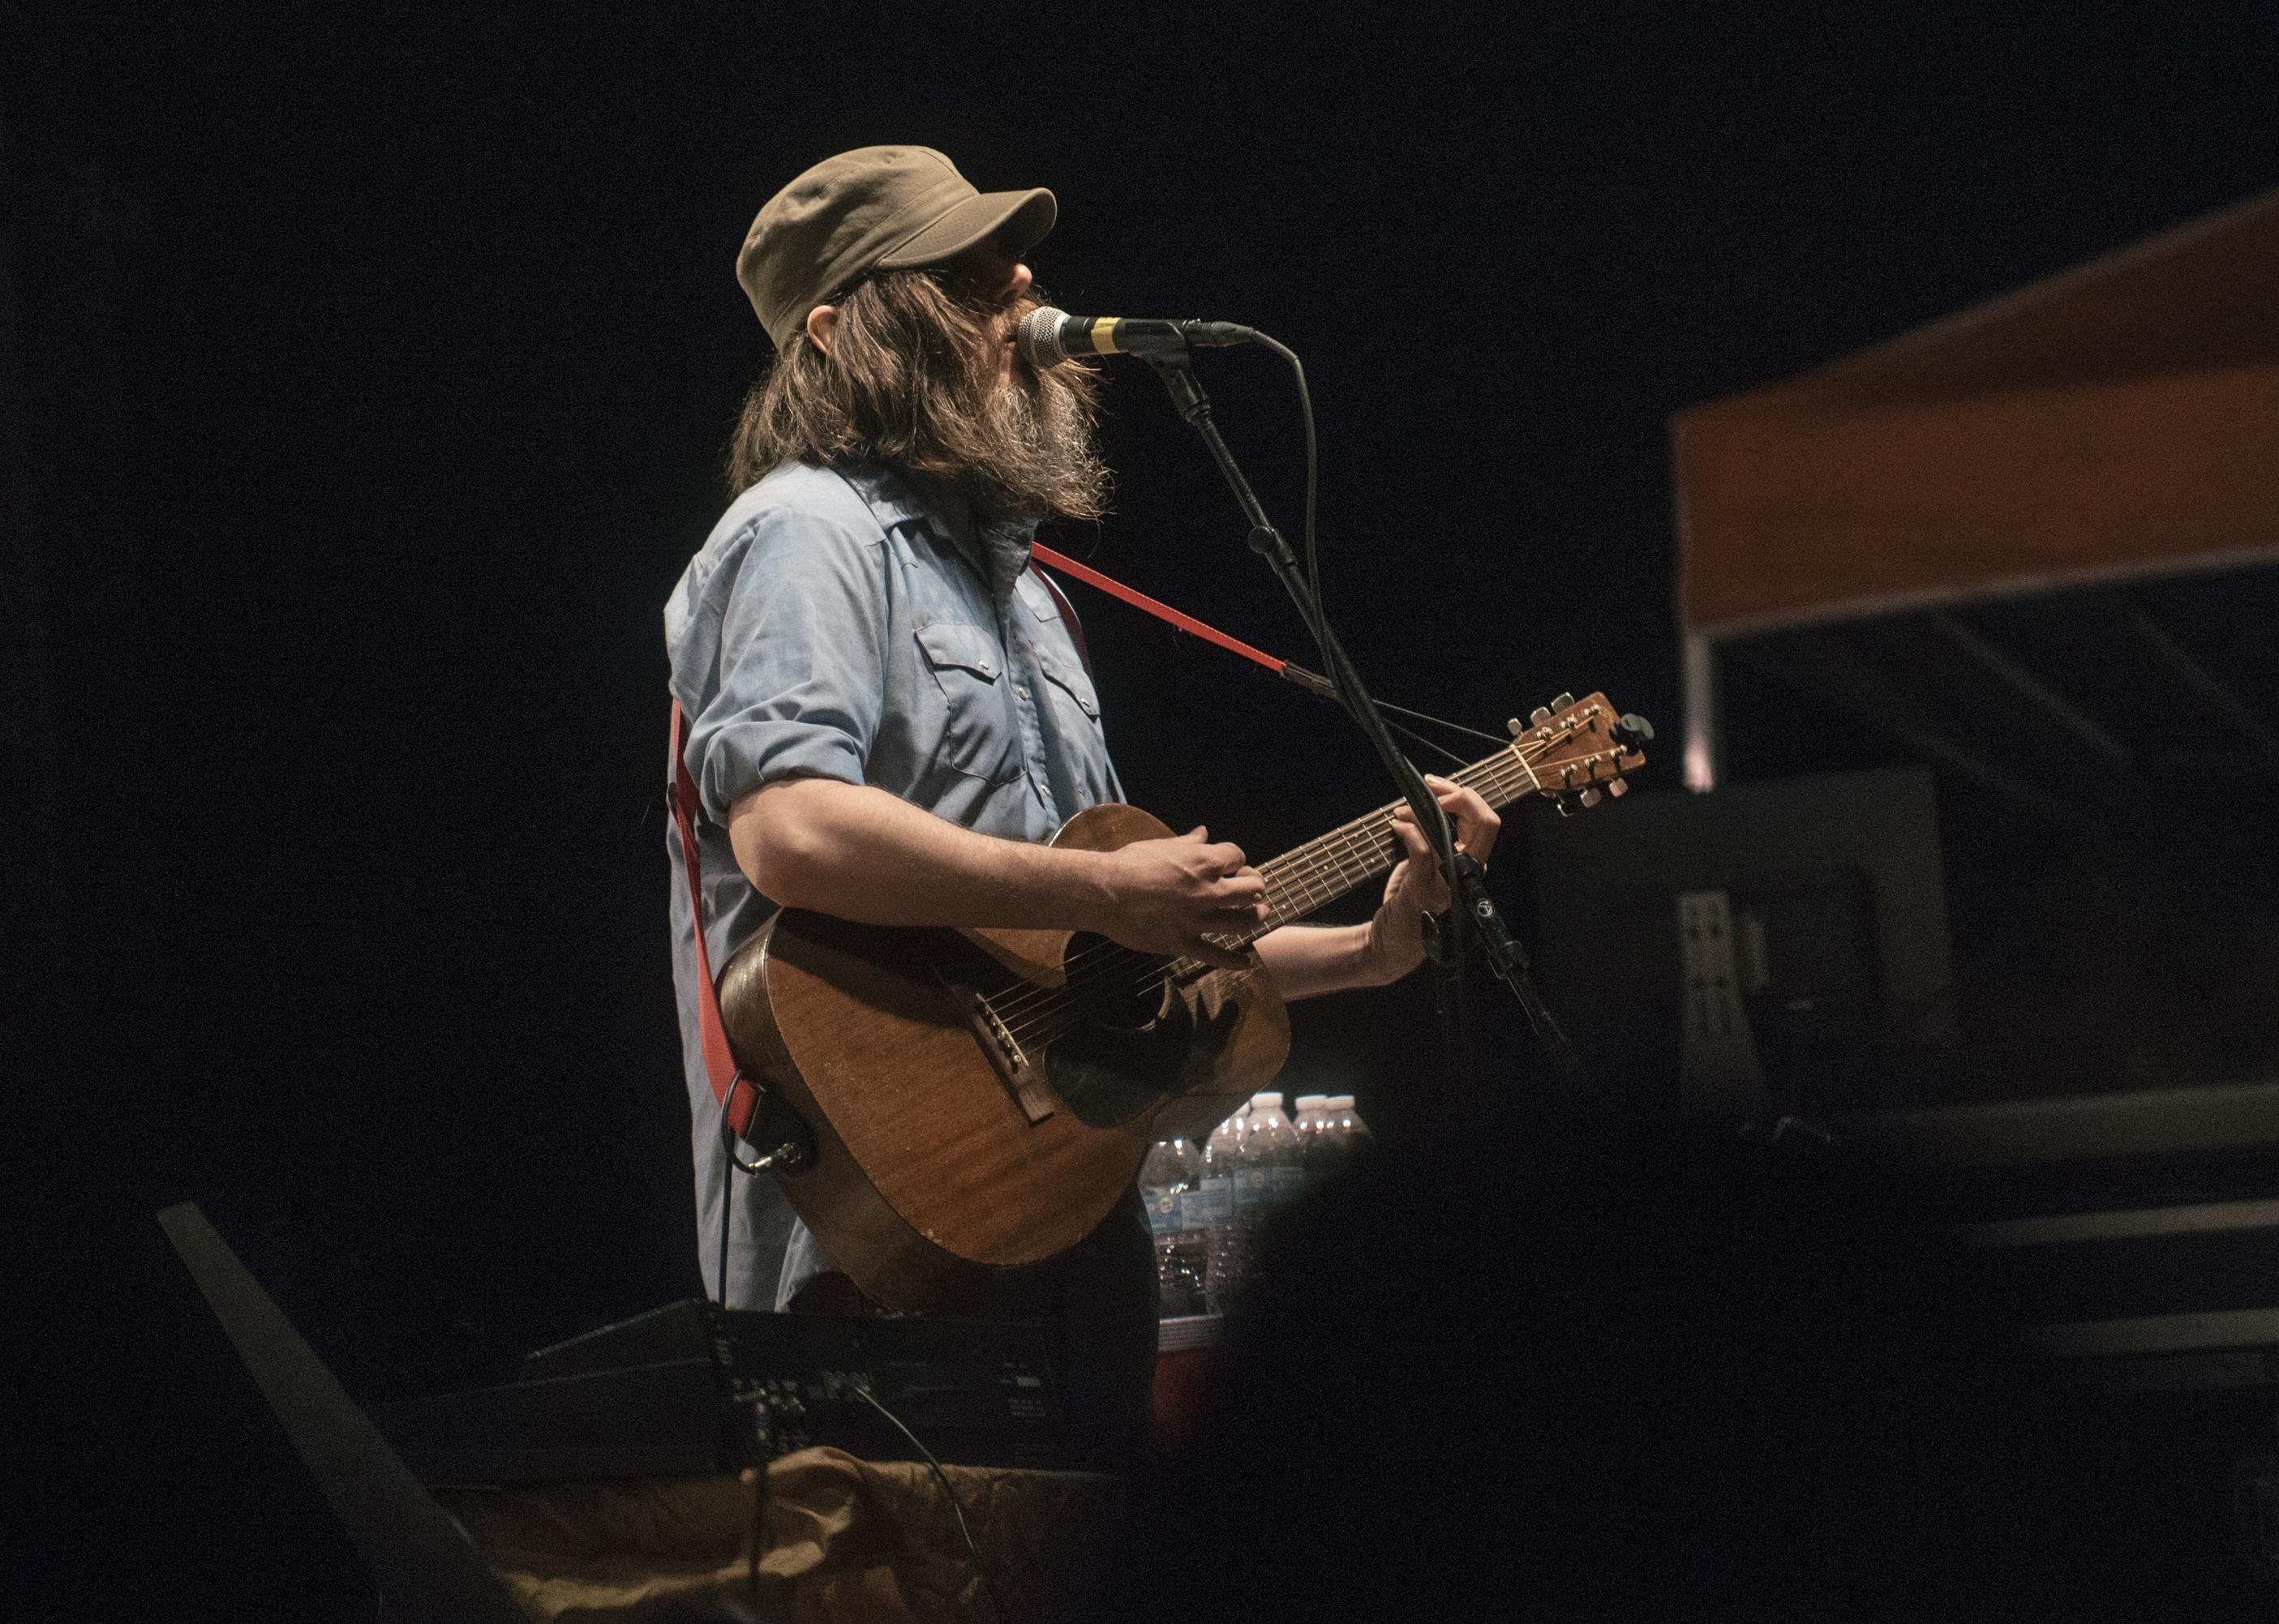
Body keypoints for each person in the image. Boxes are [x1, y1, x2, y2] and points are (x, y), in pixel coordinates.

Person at [663, 145, 1496, 1445]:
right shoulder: (804, 532)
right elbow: (793, 829)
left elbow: (1103, 952)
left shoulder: (1031, 597)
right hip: (882, 1210)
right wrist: (1101, 881)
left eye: (1007, 257)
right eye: (963, 272)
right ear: (837, 331)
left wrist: (1369, 948)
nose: (1021, 282)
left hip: (1063, 1198)